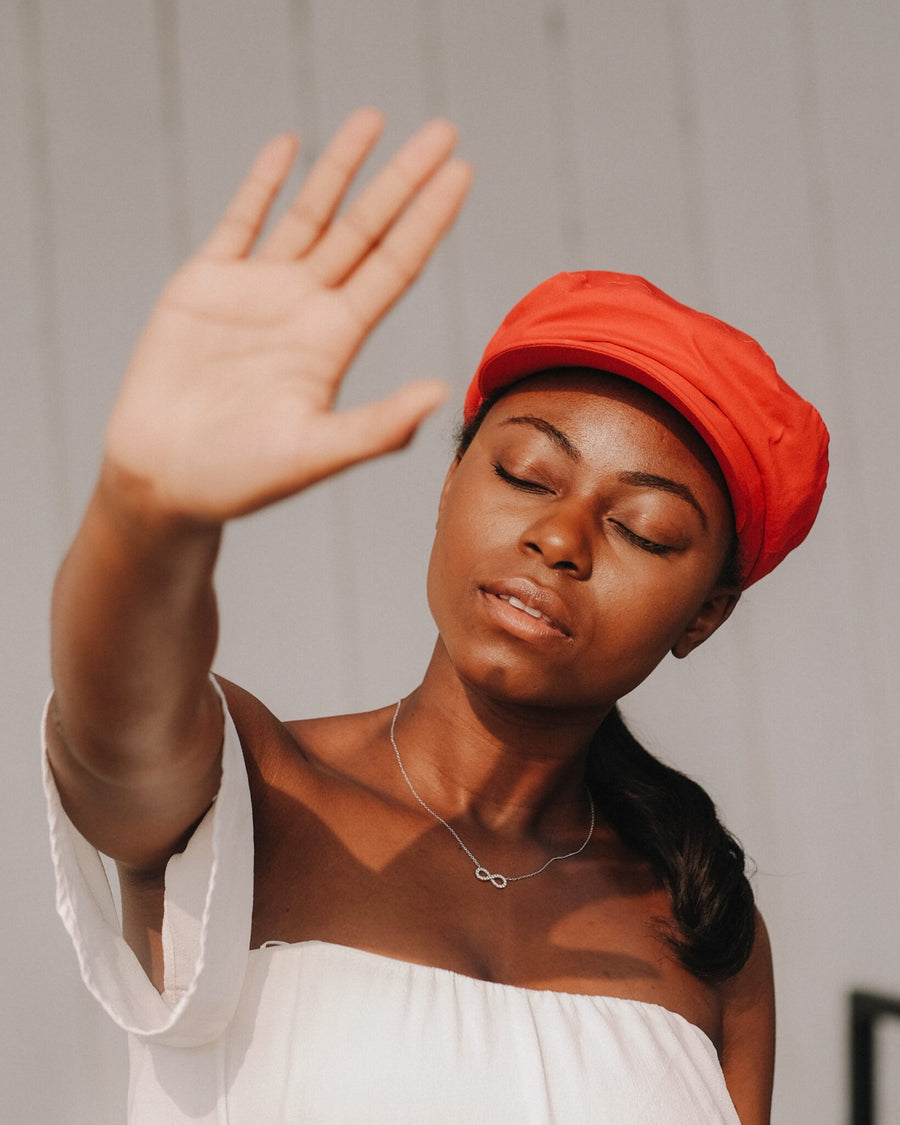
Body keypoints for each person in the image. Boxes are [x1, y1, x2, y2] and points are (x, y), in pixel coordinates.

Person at [43, 108, 828, 1124]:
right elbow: (110, 724)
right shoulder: (255, 791)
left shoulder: (706, 925)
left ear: (706, 616)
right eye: (525, 472)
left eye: (641, 529)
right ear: (451, 486)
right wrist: (146, 513)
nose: (561, 538)